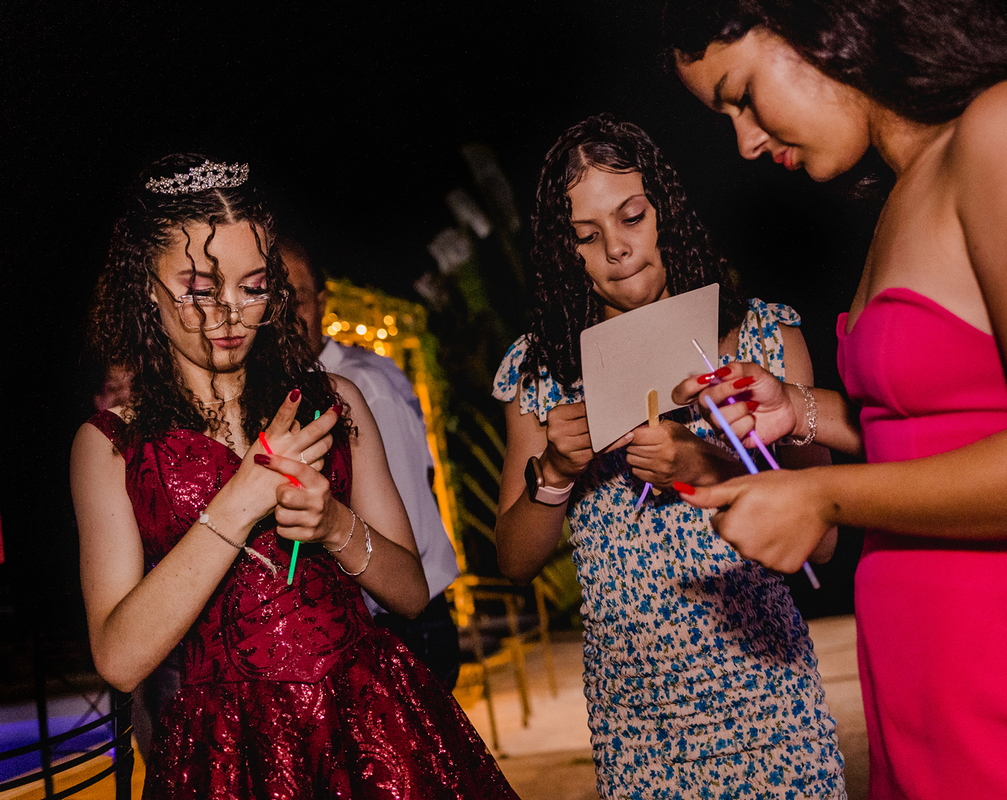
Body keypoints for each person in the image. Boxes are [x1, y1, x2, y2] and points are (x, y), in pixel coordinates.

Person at [662, 1, 1007, 798]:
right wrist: (797, 411)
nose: (744, 141)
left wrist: (822, 497)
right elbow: (934, 427)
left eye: (741, 95)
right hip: (928, 715)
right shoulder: (903, 191)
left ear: (814, 23)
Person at [70, 153, 516, 799]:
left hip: (368, 718)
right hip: (226, 745)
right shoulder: (110, 444)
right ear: (145, 285)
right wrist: (236, 504)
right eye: (198, 288)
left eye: (252, 286)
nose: (228, 313)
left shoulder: (333, 400)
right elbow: (119, 658)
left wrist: (335, 524)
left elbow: (412, 594)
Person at [492, 114, 846, 799]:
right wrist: (556, 476)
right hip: (636, 726)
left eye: (631, 218)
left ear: (667, 213)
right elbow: (513, 560)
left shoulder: (762, 339)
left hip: (764, 699)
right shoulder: (540, 372)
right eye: (587, 236)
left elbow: (824, 541)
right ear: (565, 251)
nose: (617, 250)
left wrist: (707, 467)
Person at [280, 237, 462, 688]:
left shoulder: (360, 387)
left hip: (404, 625)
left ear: (321, 303)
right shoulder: (302, 388)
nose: (283, 317)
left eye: (296, 300)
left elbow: (404, 530)